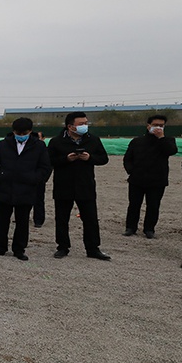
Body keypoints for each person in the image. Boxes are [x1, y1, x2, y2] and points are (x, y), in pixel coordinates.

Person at [47, 111, 110, 260]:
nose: (85, 126)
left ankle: (93, 248)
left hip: (85, 185)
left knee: (90, 219)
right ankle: (62, 247)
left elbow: (103, 158)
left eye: (86, 123)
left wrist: (90, 158)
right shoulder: (56, 141)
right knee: (62, 218)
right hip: (63, 185)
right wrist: (66, 159)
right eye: (81, 124)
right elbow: (49, 160)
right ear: (70, 126)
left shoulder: (93, 140)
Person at [0, 117, 52, 261]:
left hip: (26, 190)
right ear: (13, 131)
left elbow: (45, 167)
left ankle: (19, 248)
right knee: (2, 220)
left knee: (22, 221)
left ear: (30, 131)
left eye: (24, 133)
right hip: (4, 188)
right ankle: (1, 246)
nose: (21, 135)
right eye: (18, 133)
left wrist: (34, 179)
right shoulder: (3, 144)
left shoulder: (39, 146)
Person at [122, 114, 177, 238]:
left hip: (157, 180)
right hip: (137, 179)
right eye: (155, 125)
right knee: (134, 205)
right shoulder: (137, 141)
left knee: (153, 206)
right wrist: (131, 171)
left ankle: (149, 229)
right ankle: (130, 227)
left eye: (161, 125)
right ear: (148, 126)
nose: (158, 127)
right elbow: (128, 158)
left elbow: (171, 151)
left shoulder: (168, 140)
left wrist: (161, 138)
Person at [33, 131, 48, 227]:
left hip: (39, 179)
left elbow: (47, 166)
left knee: (38, 199)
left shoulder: (44, 150)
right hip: (26, 178)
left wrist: (43, 178)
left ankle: (38, 220)